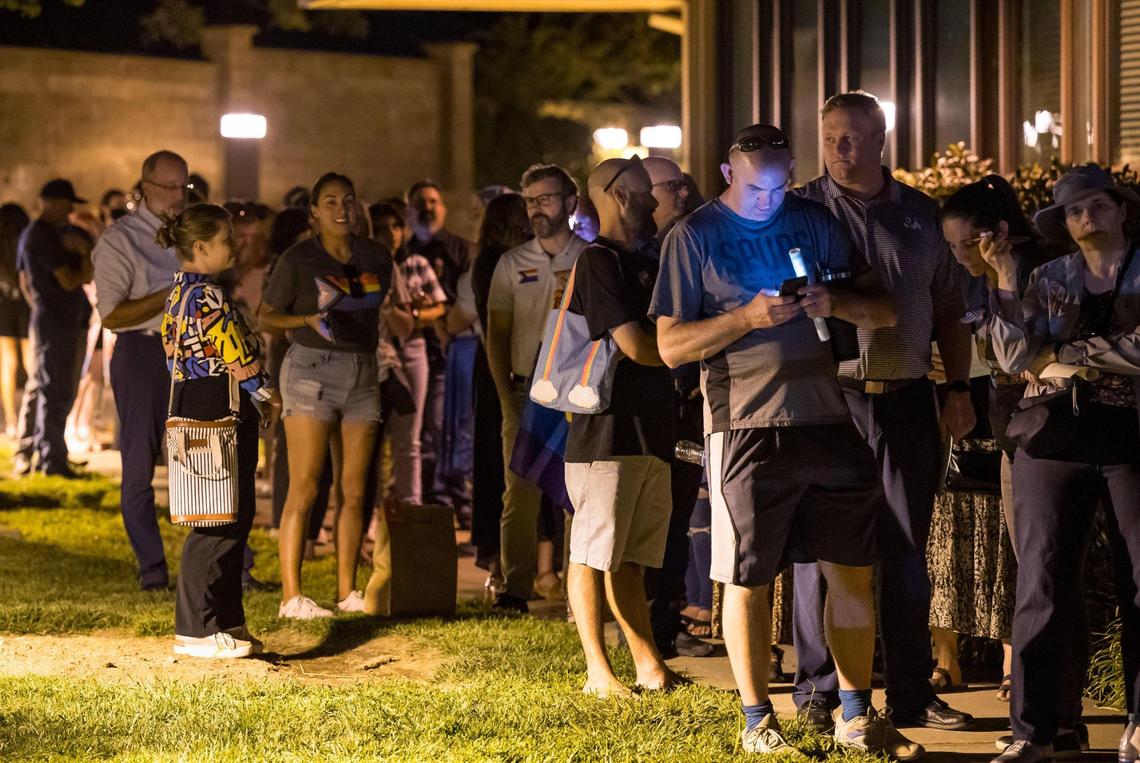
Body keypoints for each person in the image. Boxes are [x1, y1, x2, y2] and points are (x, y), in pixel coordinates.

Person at [652, 124, 899, 756]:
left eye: (780, 184)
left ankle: (852, 714)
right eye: (758, 186)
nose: (770, 199)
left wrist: (832, 301)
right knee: (748, 576)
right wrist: (746, 318)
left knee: (850, 568)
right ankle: (757, 720)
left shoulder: (815, 221)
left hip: (828, 419)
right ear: (728, 170)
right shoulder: (695, 236)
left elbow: (884, 309)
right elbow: (670, 345)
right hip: (745, 426)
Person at [790, 92, 976, 737]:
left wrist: (958, 388)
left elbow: (951, 309)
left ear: (881, 140)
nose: (841, 149)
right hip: (827, 399)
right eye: (831, 137)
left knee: (904, 548)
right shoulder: (798, 210)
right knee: (821, 549)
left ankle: (909, 691)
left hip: (903, 396)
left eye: (853, 137)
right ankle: (819, 692)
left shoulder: (922, 216)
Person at [982, 163, 1140, 763]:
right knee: (1041, 580)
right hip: (1052, 436)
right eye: (1074, 211)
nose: (1085, 218)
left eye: (1097, 205)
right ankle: (1036, 731)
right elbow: (1016, 354)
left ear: (1122, 209)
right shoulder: (1048, 277)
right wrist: (1002, 277)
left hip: (1131, 436)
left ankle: (1139, 722)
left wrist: (1069, 353)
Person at [561, 155, 679, 697]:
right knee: (591, 551)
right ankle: (596, 670)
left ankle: (647, 664)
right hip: (604, 432)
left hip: (650, 428)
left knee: (630, 558)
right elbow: (634, 345)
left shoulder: (648, 259)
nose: (656, 200)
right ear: (619, 196)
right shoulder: (599, 261)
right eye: (645, 193)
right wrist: (689, 348)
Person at [260, 172, 392, 619]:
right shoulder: (299, 259)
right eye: (330, 201)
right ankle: (292, 597)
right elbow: (267, 316)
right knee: (306, 485)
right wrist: (305, 321)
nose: (341, 209)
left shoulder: (376, 255)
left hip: (363, 370)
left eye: (348, 200)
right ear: (314, 211)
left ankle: (347, 592)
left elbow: (376, 311)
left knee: (355, 490)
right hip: (311, 370)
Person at [933, 177, 1040, 701]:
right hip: (1000, 427)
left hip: (1038, 431)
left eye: (965, 244)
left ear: (998, 233)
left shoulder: (1036, 270)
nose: (958, 256)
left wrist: (1004, 278)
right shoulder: (969, 278)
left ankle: (1030, 677)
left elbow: (1013, 354)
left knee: (1031, 561)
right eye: (950, 246)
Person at [159, 203, 272, 659]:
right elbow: (235, 351)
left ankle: (226, 620)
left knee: (229, 513)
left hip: (197, 401)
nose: (236, 244)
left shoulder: (177, 296)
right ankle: (197, 628)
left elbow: (172, 357)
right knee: (218, 517)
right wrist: (265, 392)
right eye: (226, 239)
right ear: (201, 247)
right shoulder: (207, 296)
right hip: (219, 404)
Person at [486, 164, 586, 613]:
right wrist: (503, 390)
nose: (536, 209)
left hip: (576, 387)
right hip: (525, 386)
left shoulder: (590, 257)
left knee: (576, 489)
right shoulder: (512, 263)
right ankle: (515, 586)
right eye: (530, 201)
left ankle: (576, 591)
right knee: (520, 486)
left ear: (570, 203)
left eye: (545, 199)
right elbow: (496, 331)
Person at [93, 150, 190, 590]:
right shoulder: (120, 240)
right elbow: (112, 315)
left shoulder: (191, 232)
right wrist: (176, 289)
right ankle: (152, 569)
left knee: (204, 459)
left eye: (182, 186)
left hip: (190, 353)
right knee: (138, 465)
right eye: (169, 187)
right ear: (145, 187)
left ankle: (230, 565)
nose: (177, 195)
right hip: (142, 353)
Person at [640, 156, 711, 658]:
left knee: (681, 516)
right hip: (657, 408)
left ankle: (669, 619)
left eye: (680, 186)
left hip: (687, 404)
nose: (682, 195)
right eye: (671, 187)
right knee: (661, 520)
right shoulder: (644, 252)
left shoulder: (691, 241)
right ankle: (655, 624)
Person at [453, 193, 533, 591]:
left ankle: (504, 560)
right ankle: (502, 562)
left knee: (499, 464)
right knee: (501, 463)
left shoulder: (488, 261)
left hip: (496, 365)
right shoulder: (500, 264)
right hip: (502, 365)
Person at [370, 200, 447, 506]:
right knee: (373, 440)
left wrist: (411, 316)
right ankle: (372, 515)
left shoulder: (415, 263)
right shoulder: (366, 265)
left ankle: (410, 505)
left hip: (411, 350)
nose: (390, 233)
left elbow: (439, 306)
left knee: (409, 437)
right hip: (376, 354)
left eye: (396, 226)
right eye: (382, 227)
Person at [17, 179, 93, 477]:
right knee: (55, 390)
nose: (71, 210)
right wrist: (83, 254)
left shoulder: (47, 235)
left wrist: (83, 255)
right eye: (66, 203)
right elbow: (71, 280)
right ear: (49, 202)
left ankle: (39, 450)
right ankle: (52, 458)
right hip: (55, 322)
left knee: (45, 386)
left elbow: (85, 277)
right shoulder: (42, 237)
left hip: (57, 320)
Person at [405, 180, 473, 508]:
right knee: (422, 431)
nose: (427, 207)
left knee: (452, 424)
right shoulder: (405, 252)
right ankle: (432, 497)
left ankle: (457, 496)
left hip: (452, 349)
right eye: (420, 202)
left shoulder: (459, 249)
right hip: (416, 347)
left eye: (434, 201)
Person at [0, 203, 32, 439]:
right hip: (25, 303)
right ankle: (28, 420)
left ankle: (10, 420)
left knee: (6, 364)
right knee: (31, 363)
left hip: (3, 303)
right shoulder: (26, 239)